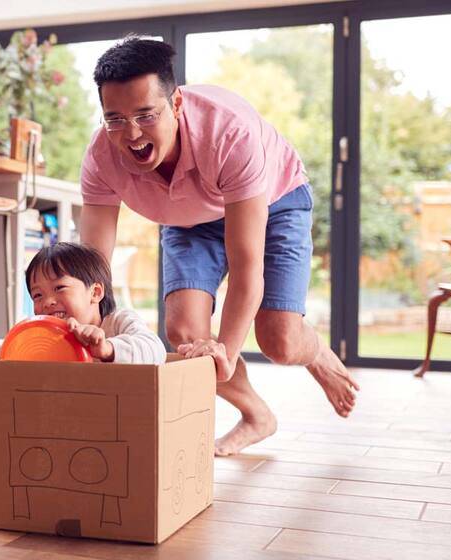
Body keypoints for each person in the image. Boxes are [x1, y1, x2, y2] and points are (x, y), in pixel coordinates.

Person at [79, 37, 360, 456]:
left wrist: (226, 349)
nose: (132, 134)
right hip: (190, 219)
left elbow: (246, 266)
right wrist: (89, 334)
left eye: (145, 115)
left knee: (279, 341)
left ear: (175, 105)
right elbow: (93, 271)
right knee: (186, 333)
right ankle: (256, 414)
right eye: (115, 119)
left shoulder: (229, 133)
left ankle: (315, 351)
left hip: (275, 199)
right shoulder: (102, 157)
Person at [25, 242, 167, 365]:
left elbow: (157, 350)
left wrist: (108, 349)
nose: (48, 302)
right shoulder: (43, 339)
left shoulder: (118, 322)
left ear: (95, 293)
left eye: (59, 288)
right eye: (37, 295)